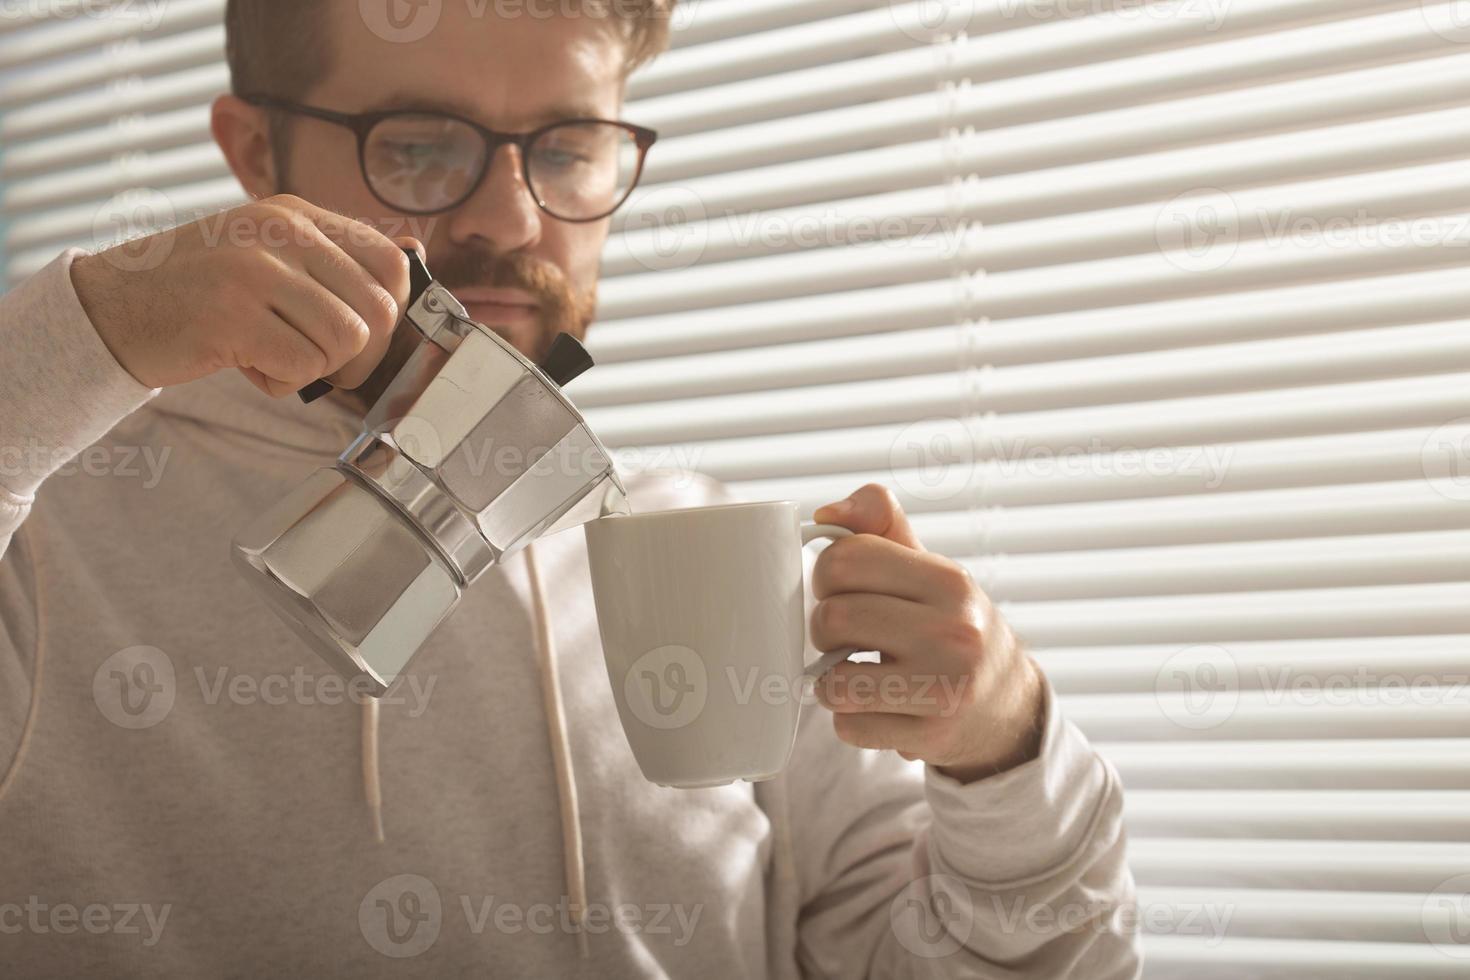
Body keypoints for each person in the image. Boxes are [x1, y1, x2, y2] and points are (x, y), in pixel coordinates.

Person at [0, 1, 1139, 975]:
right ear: (255, 156)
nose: (509, 218)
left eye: (568, 146)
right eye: (420, 144)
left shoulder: (720, 568)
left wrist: (1003, 754)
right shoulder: (49, 526)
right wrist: (95, 320)